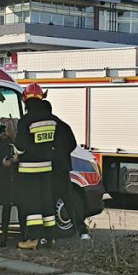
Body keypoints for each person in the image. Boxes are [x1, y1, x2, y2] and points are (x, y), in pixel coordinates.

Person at [14, 83, 58, 249]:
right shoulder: (51, 119)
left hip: (28, 169)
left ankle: (33, 239)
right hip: (46, 168)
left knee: (32, 205)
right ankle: (50, 238)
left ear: (25, 100)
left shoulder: (26, 120)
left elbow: (21, 146)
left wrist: (14, 154)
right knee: (47, 202)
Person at [43, 99, 89, 241]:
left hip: (47, 169)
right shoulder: (63, 126)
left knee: (48, 202)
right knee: (69, 201)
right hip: (62, 169)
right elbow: (72, 144)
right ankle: (82, 231)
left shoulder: (42, 126)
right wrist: (61, 154)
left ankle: (49, 236)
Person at [0, 117, 22, 246]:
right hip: (16, 178)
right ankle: (23, 234)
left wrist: (4, 162)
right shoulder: (17, 142)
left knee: (8, 207)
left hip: (8, 178)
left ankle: (4, 236)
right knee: (19, 207)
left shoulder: (5, 141)